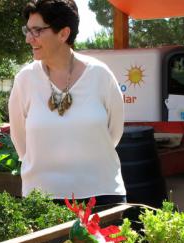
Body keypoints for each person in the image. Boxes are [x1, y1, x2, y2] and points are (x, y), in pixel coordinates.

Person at [8, 0, 126, 207]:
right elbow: (21, 143)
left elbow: (114, 134)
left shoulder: (100, 75)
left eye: (36, 31)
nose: (28, 39)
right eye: (27, 30)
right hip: (42, 200)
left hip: (103, 196)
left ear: (63, 34)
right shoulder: (24, 80)